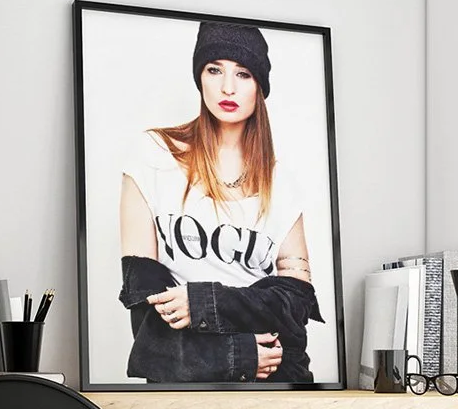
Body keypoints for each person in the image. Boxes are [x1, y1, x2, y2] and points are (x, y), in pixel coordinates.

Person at [118, 21, 322, 384]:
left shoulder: (281, 184)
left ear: (259, 85)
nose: (228, 87)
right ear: (201, 77)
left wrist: (202, 302)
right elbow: (146, 319)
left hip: (276, 382)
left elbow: (294, 309)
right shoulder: (153, 157)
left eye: (243, 74)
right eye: (215, 70)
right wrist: (237, 354)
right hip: (185, 390)